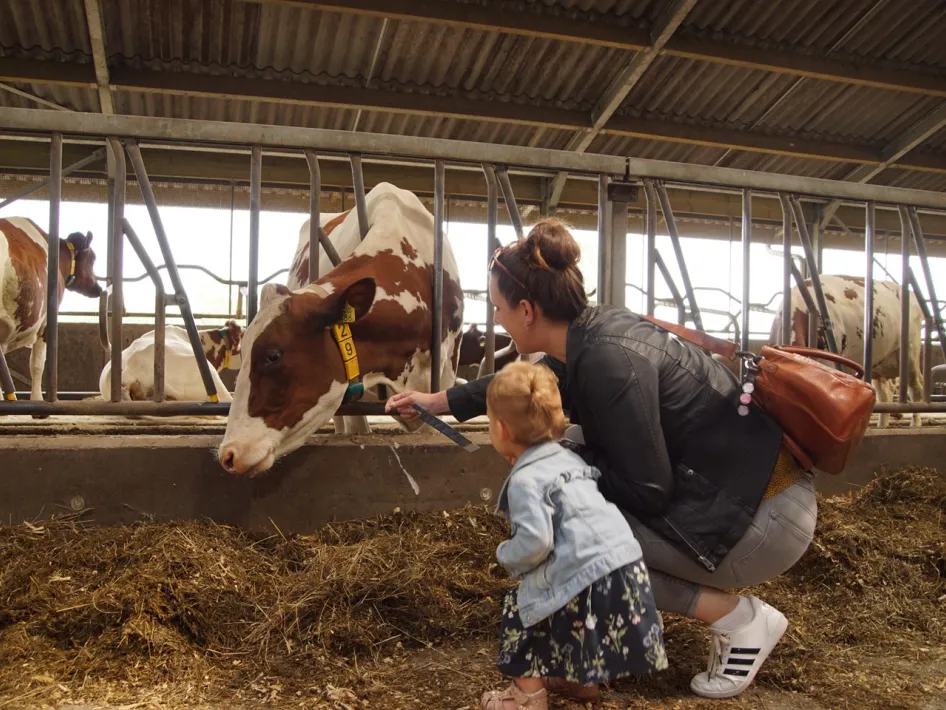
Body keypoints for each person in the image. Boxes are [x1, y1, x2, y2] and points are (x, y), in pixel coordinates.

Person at [386, 219, 818, 700]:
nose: (499, 318)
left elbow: (649, 490)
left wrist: (567, 462)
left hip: (764, 520)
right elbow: (527, 384)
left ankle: (740, 620)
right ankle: (587, 659)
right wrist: (438, 401)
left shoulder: (608, 363)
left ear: (527, 310)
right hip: (738, 493)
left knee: (564, 520)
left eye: (499, 308)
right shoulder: (587, 336)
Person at [478, 360, 666, 710]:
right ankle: (580, 681)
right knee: (576, 616)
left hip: (585, 570)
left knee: (524, 612)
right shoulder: (570, 460)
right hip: (626, 565)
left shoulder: (524, 480)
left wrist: (507, 554)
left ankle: (526, 698)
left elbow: (536, 542)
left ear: (501, 429)